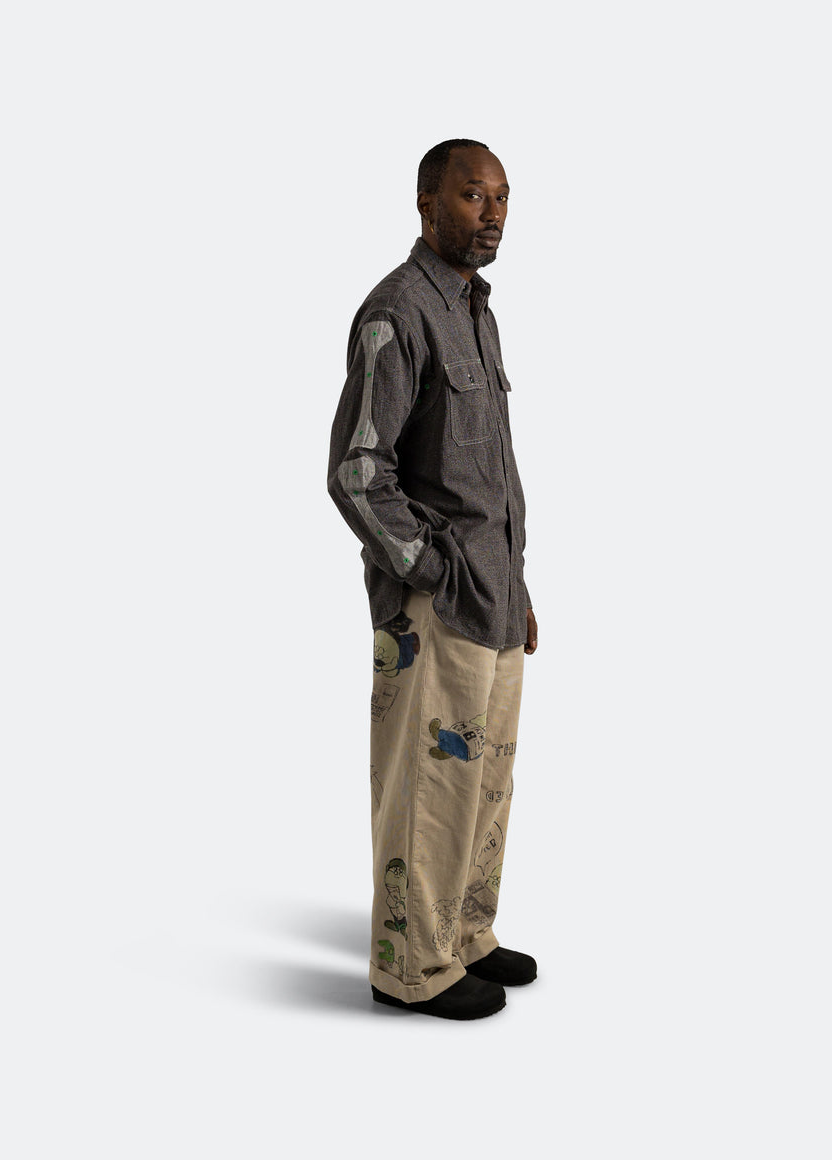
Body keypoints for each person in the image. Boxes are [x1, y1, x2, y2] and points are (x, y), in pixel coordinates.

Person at [327, 139, 538, 1020]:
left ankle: (463, 935)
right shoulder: (399, 310)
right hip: (437, 610)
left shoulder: (476, 311)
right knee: (429, 787)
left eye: (501, 197)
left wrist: (516, 586)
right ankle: (410, 969)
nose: (492, 214)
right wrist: (432, 573)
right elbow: (357, 473)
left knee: (484, 784)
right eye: (471, 196)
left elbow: (484, 474)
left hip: (493, 598)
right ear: (426, 203)